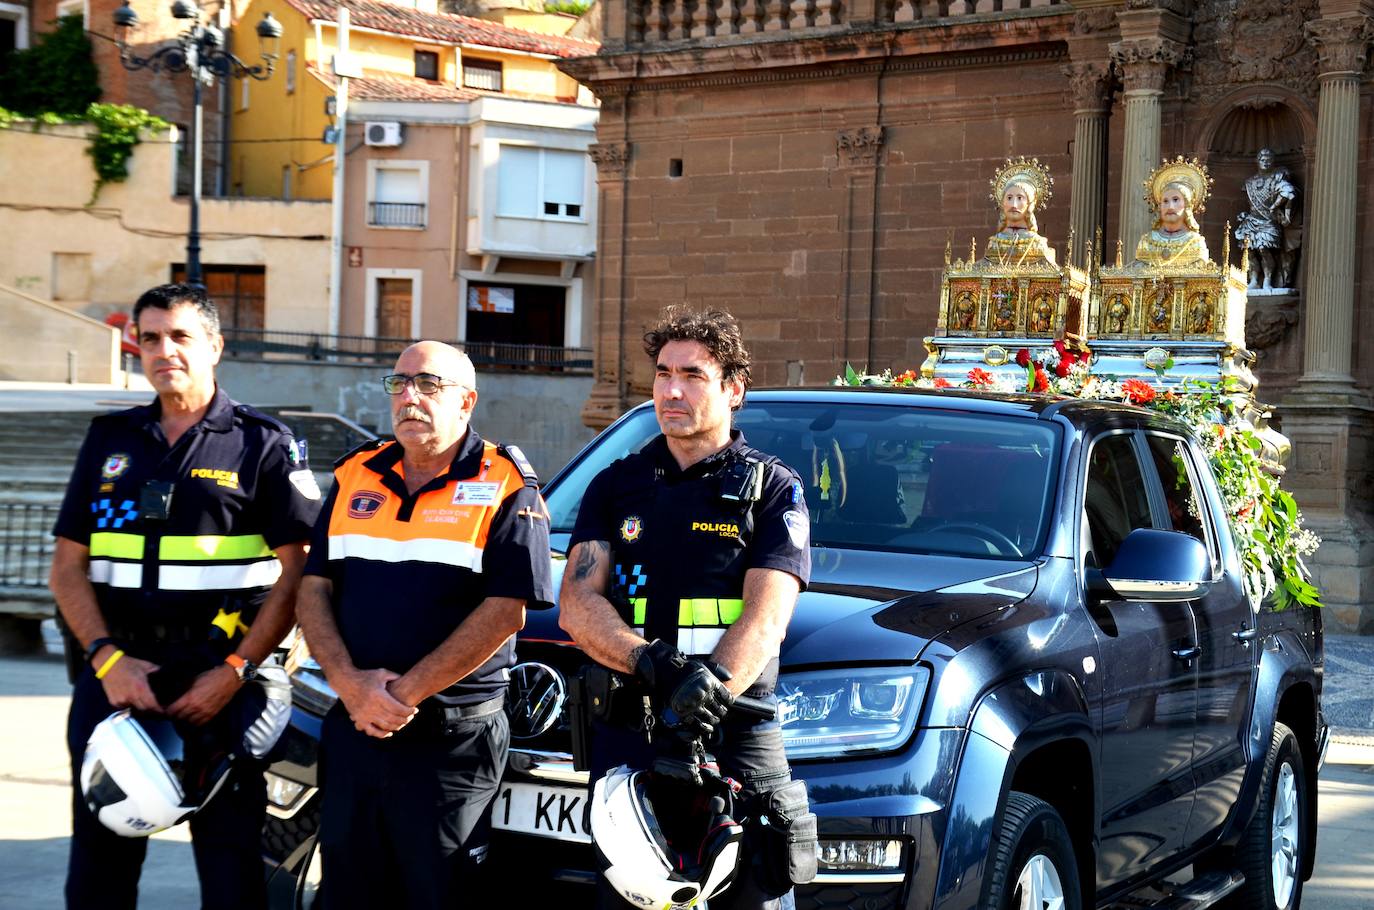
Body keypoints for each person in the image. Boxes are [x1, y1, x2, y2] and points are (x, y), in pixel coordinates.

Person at [50, 282, 321, 910]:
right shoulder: (109, 439)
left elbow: (300, 573)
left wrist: (234, 671)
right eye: (149, 337)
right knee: (97, 870)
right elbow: (67, 568)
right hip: (118, 679)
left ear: (216, 346)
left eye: (180, 336)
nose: (163, 349)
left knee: (231, 876)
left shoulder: (263, 443)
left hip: (220, 689)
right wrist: (108, 661)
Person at [560, 306, 812, 910]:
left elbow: (766, 617)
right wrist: (655, 666)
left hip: (733, 735)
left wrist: (697, 703)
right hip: (630, 732)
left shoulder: (772, 488)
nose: (672, 390)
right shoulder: (616, 484)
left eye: (694, 375)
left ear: (733, 389)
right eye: (664, 373)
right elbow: (577, 603)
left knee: (751, 893)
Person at [296, 341, 552, 909]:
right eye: (400, 383)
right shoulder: (355, 473)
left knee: (440, 895)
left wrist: (401, 695)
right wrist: (350, 686)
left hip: (450, 740)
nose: (410, 396)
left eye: (428, 384)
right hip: (356, 727)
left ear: (467, 401)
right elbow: (313, 588)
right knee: (348, 894)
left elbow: (507, 609)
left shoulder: (506, 481)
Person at [1234, 147, 1298, 290]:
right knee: (1249, 250)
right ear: (1257, 161)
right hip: (1251, 221)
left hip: (1269, 221)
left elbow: (1290, 193)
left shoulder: (1277, 179)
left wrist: (1282, 212)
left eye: (1269, 160)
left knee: (1263, 249)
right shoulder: (1249, 182)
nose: (1266, 162)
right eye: (1262, 160)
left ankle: (1268, 279)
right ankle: (1254, 279)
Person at [1134, 156, 1213, 268]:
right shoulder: (1147, 241)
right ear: (1159, 207)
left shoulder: (1195, 242)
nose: (1170, 206)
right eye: (1165, 201)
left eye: (1175, 200)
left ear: (1187, 205)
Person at [984, 156, 1056, 267]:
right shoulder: (995, 242)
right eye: (1009, 198)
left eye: (1020, 198)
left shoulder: (1037, 243)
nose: (1014, 205)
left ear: (1030, 204)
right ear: (1002, 203)